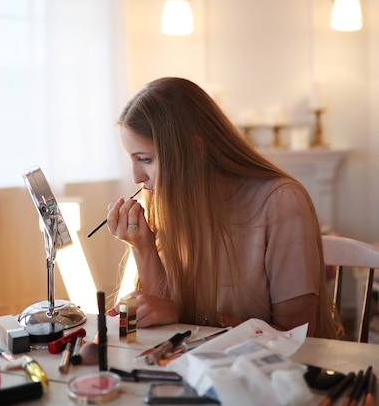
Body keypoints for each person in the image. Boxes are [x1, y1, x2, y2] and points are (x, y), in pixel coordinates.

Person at [106, 76, 341, 339]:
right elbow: (164, 319)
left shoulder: (281, 202)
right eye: (133, 159)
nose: (136, 177)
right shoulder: (171, 201)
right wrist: (144, 247)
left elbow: (297, 336)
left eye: (146, 159)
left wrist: (185, 315)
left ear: (194, 151)